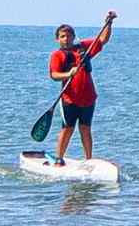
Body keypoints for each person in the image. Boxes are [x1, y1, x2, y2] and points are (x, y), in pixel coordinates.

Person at [47, 11, 117, 165]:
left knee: (86, 129)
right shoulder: (57, 55)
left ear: (74, 37)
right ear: (57, 39)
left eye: (69, 36)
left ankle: (89, 160)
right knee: (68, 129)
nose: (66, 39)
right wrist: (68, 73)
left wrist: (109, 23)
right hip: (69, 99)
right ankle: (59, 159)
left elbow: (103, 39)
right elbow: (54, 75)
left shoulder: (84, 48)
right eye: (63, 36)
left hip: (88, 98)